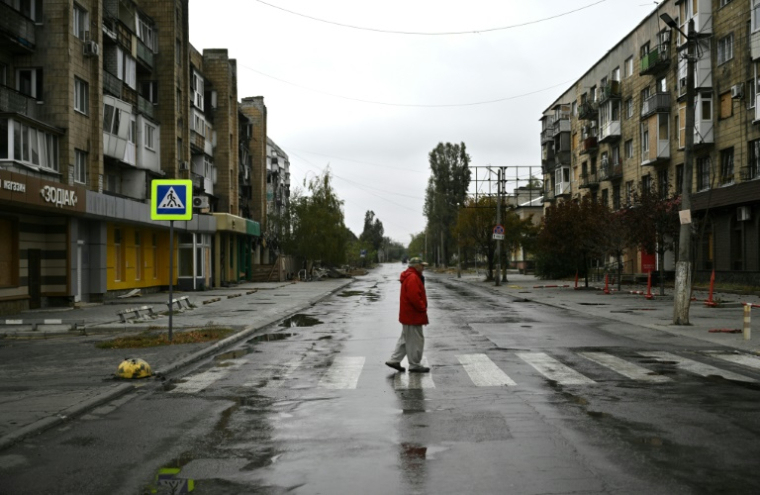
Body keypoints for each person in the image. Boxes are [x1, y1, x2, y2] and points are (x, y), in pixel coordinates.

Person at [386, 257, 430, 373]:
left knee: (406, 339)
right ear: (416, 266)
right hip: (413, 315)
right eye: (422, 266)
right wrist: (422, 308)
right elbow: (414, 297)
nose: (423, 268)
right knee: (416, 340)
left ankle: (394, 360)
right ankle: (415, 364)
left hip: (409, 315)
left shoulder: (411, 276)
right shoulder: (413, 278)